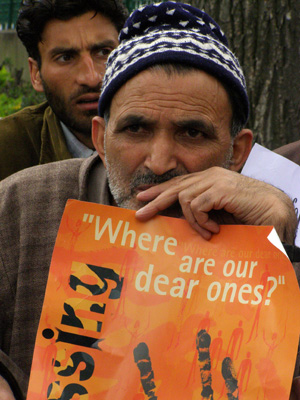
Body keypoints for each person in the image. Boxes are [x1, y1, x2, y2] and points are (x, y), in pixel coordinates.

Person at [0, 2, 298, 399]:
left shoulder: (267, 223)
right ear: (100, 139)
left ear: (238, 152)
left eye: (192, 133)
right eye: (136, 129)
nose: (159, 162)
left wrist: (276, 247)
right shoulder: (21, 208)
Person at [0, 0, 128, 181]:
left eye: (103, 52)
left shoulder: (174, 135)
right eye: (65, 58)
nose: (91, 78)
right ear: (36, 73)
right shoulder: (7, 150)